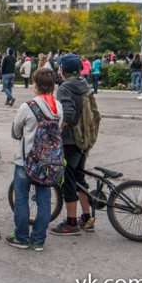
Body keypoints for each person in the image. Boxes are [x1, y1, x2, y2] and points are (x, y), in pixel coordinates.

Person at [6, 67, 63, 250]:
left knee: (21, 199)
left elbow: (15, 132)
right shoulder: (58, 106)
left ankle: (22, 238)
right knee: (44, 200)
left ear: (35, 85)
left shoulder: (28, 106)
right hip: (48, 163)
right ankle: (38, 240)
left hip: (25, 161)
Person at [50, 53, 93, 236]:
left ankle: (71, 222)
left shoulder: (65, 88)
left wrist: (55, 129)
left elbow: (68, 114)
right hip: (84, 138)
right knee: (79, 178)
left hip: (70, 141)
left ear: (63, 70)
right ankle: (86, 217)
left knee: (67, 181)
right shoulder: (83, 84)